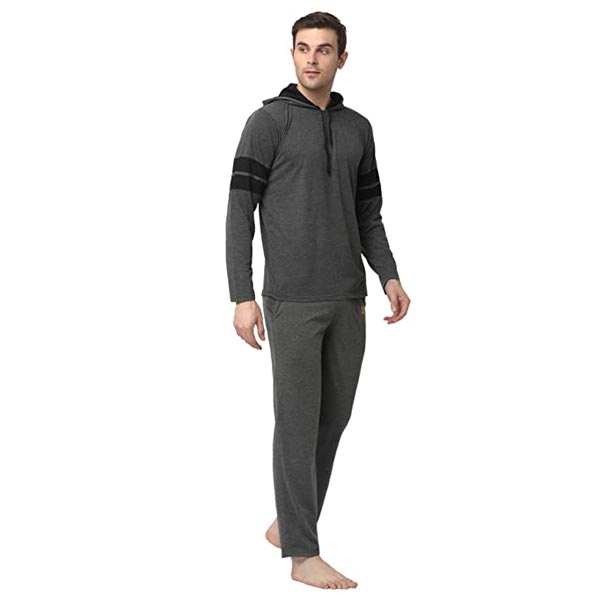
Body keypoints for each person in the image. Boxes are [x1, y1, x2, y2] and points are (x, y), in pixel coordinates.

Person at [225, 11, 410, 590]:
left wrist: (388, 275)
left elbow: (369, 213)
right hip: (291, 301)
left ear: (341, 59)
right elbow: (239, 211)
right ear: (292, 54)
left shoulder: (359, 128)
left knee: (334, 419)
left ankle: (289, 523)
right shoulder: (267, 122)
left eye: (324, 50)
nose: (312, 58)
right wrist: (241, 295)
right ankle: (303, 555)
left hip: (348, 299)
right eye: (303, 48)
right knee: (297, 423)